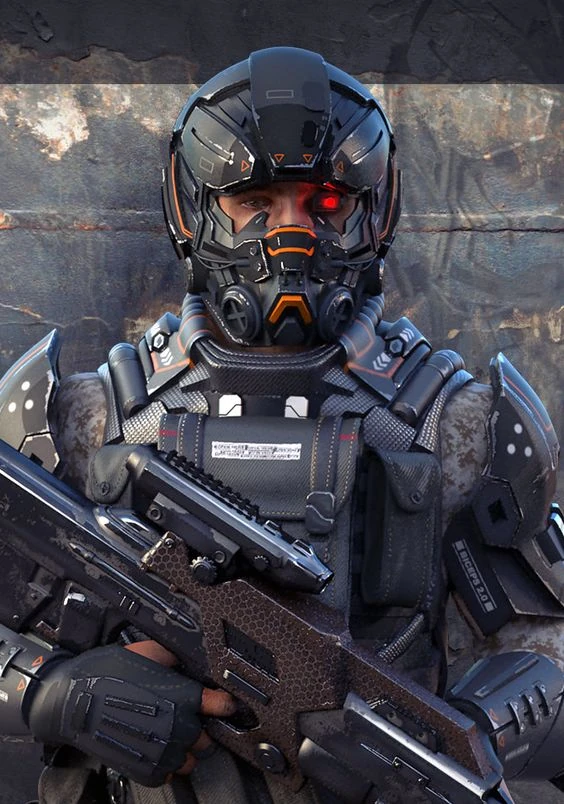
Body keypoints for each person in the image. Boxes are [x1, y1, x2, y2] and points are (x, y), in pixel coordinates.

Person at [0, 46, 562, 804]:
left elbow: (547, 655)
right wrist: (50, 691)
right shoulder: (82, 417)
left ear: (373, 212)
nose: (291, 236)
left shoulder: (457, 426)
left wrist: (460, 742)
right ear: (196, 210)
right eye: (254, 200)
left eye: (326, 203)